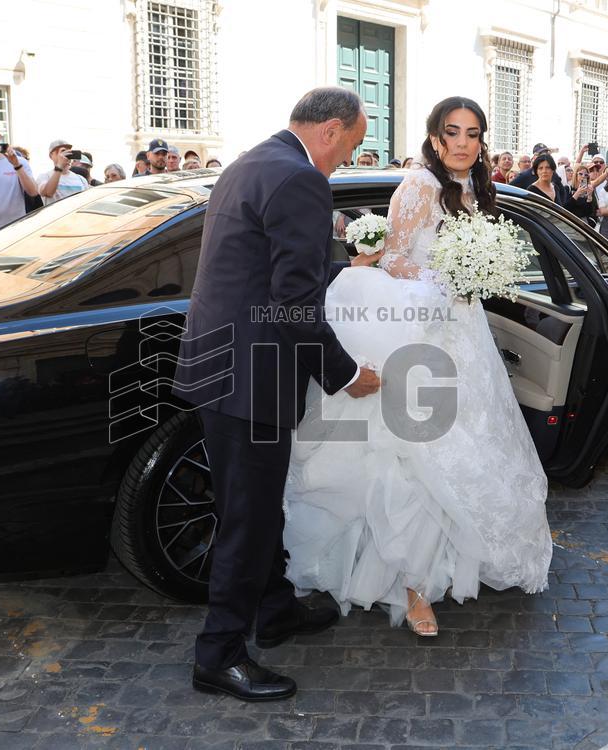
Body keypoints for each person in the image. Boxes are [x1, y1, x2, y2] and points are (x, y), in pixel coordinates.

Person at [285, 95, 552, 641]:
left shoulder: (479, 190)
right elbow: (396, 257)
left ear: (481, 142)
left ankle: (453, 564)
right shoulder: (419, 186)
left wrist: (477, 276)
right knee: (418, 459)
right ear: (434, 138)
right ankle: (413, 589)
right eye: (451, 132)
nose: (461, 142)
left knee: (472, 448)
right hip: (423, 334)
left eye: (472, 133)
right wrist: (448, 277)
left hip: (466, 335)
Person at [172, 87, 379, 703]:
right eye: (353, 146)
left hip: (222, 366)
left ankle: (277, 608)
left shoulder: (251, 162)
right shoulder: (301, 180)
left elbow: (268, 264)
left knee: (254, 504)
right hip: (252, 378)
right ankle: (219, 654)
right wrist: (346, 374)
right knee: (248, 517)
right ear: (332, 131)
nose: (347, 159)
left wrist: (345, 268)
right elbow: (293, 303)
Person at [38, 139, 89, 205]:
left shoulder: (81, 179)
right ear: (51, 155)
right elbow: (48, 193)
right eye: (63, 151)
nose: (67, 154)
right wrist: (59, 166)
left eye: (69, 151)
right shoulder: (44, 177)